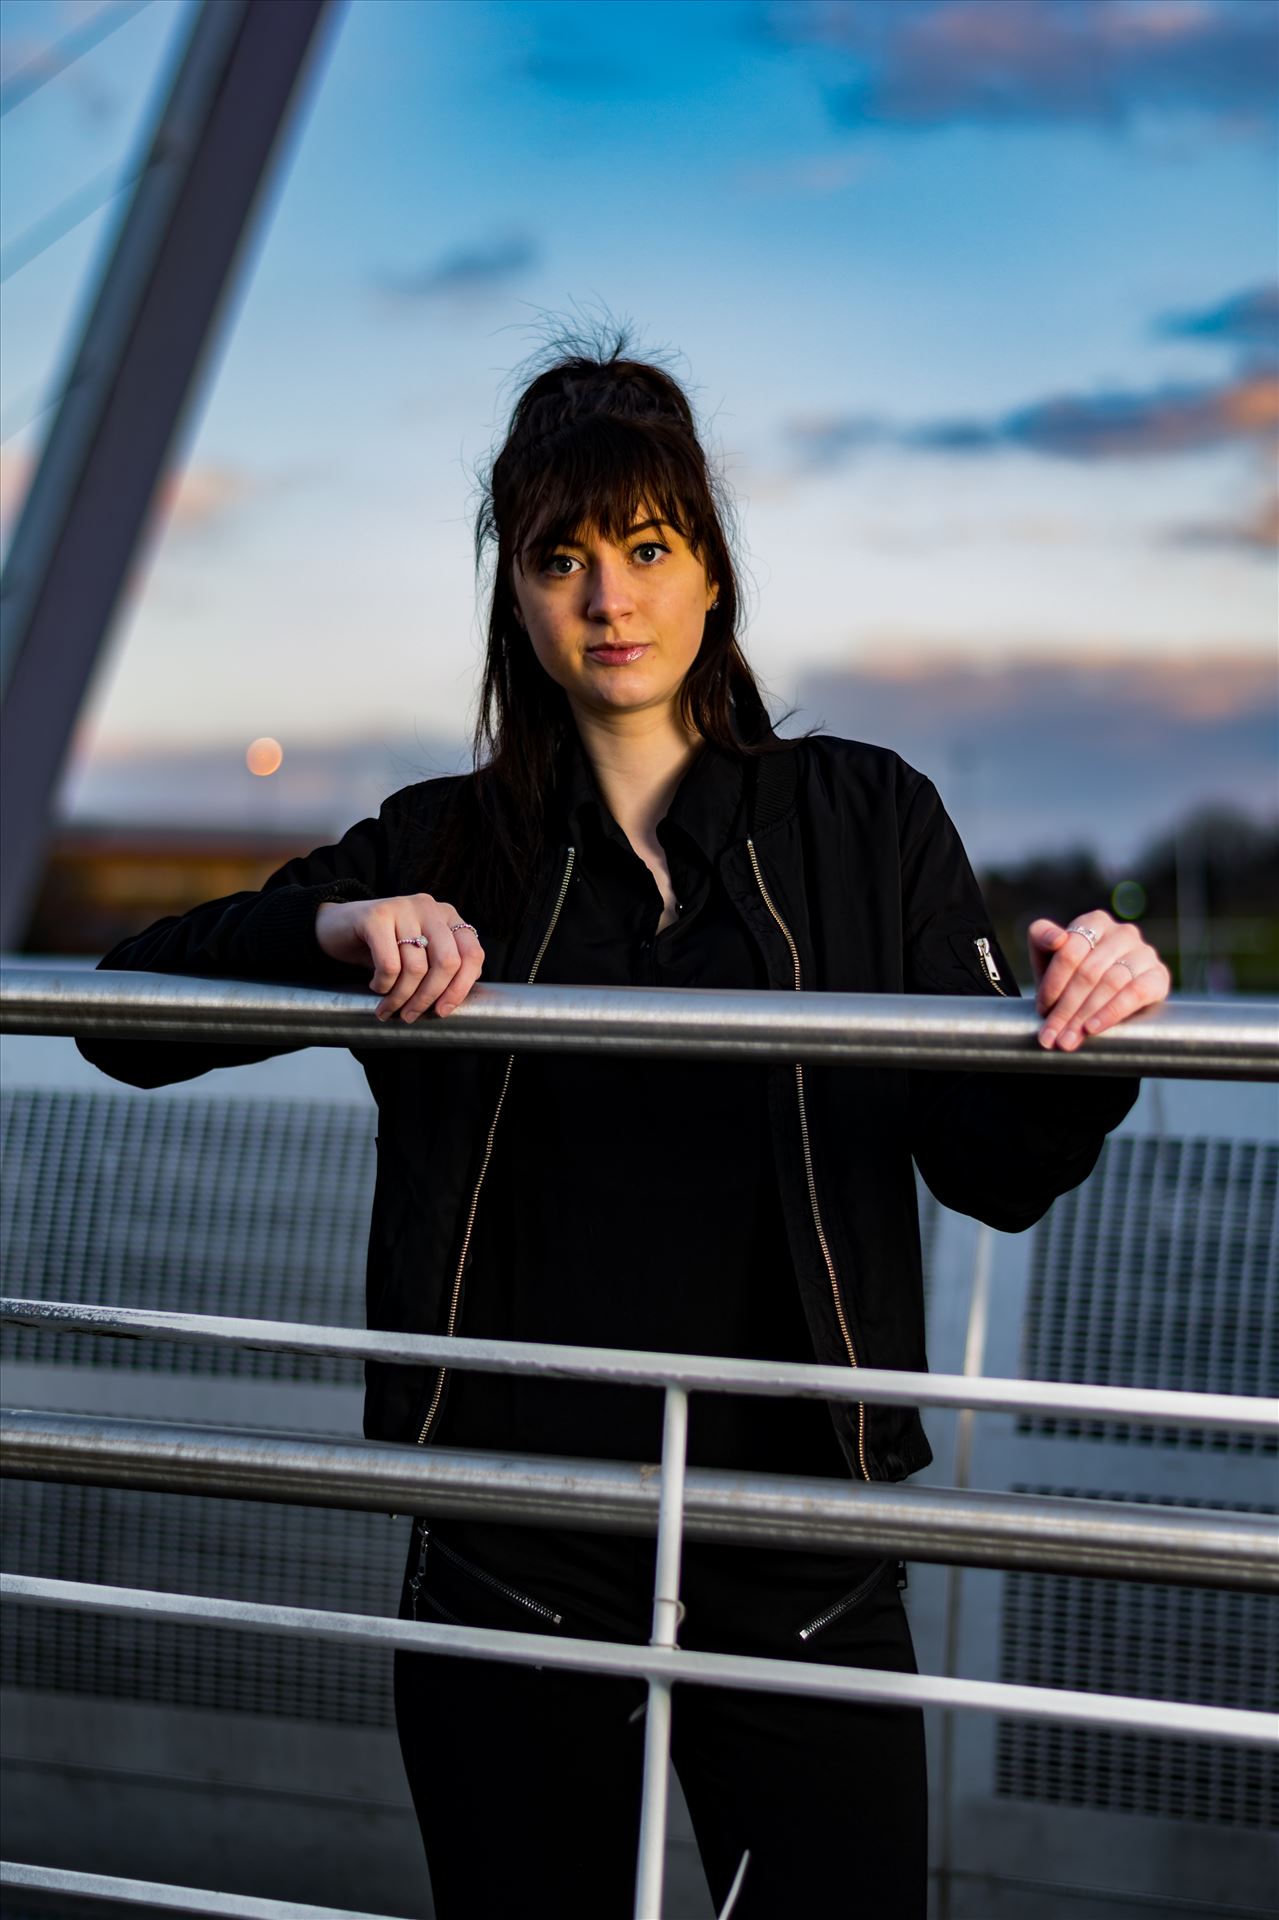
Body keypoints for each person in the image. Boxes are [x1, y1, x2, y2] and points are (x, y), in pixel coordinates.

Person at [78, 341, 1171, 1919]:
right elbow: (122, 1014)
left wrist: (1093, 1028)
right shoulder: (443, 845)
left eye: (649, 547)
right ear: (516, 598)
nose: (610, 596)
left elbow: (990, 1169)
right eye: (562, 558)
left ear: (712, 573)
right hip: (519, 1548)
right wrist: (329, 929)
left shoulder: (868, 818)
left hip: (804, 1540)